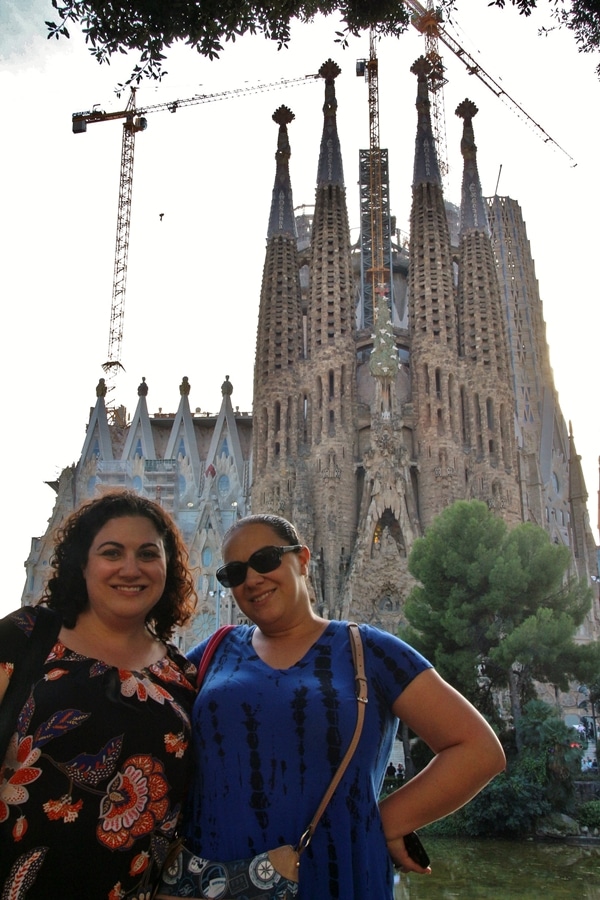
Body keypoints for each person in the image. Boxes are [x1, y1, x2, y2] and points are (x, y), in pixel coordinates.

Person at [184, 514, 505, 899]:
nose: (252, 579)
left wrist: (382, 823)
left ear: (302, 560)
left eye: (267, 559)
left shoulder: (366, 650)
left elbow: (478, 750)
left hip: (339, 877)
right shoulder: (214, 652)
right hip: (214, 882)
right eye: (234, 573)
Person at [0, 491, 198, 899]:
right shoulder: (26, 638)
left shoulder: (182, 677)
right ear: (83, 565)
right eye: (112, 552)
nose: (131, 568)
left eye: (148, 554)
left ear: (167, 567)